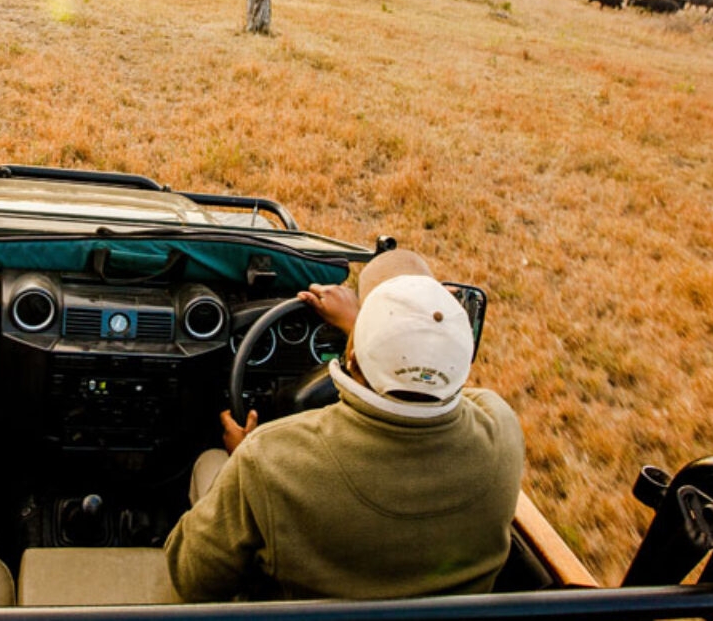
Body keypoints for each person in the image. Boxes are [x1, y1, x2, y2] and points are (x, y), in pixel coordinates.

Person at [164, 249, 524, 602]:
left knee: (210, 460)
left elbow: (191, 578)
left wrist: (241, 462)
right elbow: (431, 382)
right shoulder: (502, 429)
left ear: (350, 359)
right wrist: (387, 332)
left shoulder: (266, 461)